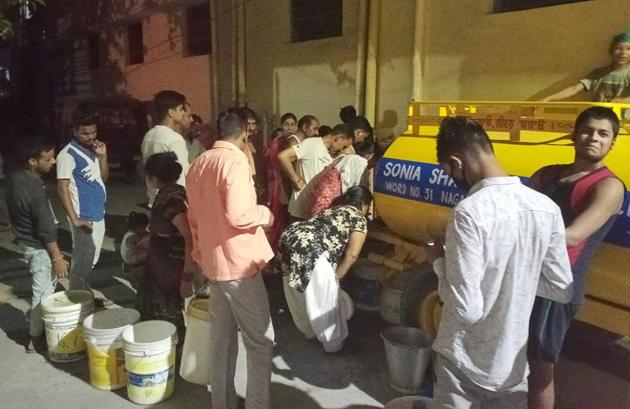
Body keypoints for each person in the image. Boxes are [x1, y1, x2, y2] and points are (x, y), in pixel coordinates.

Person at [426, 117, 574, 409]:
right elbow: (561, 288)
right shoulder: (546, 208)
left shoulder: (469, 213)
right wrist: (517, 283)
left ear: (457, 163)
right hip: (512, 365)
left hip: (464, 362)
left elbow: (467, 310)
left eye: (448, 172)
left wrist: (438, 261)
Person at [527, 107, 625, 409]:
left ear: (612, 142)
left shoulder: (609, 186)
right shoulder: (546, 174)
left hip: (556, 289)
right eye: (587, 130)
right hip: (523, 278)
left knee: (539, 366)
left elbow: (572, 236)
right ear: (574, 134)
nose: (593, 137)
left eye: (603, 133)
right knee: (511, 354)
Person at [186, 109, 275, 409]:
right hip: (239, 266)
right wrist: (266, 214)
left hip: (215, 265)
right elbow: (239, 215)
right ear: (244, 133)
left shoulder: (198, 164)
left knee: (221, 342)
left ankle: (221, 403)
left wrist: (200, 257)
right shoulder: (233, 161)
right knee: (260, 343)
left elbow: (194, 221)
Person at [280, 186, 372, 355]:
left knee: (298, 291)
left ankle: (310, 332)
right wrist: (336, 279)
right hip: (313, 248)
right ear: (364, 205)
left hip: (290, 238)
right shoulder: (358, 217)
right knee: (325, 300)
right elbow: (351, 255)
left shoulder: (330, 211)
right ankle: (334, 345)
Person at [6, 135, 69, 352]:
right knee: (43, 294)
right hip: (39, 247)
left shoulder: (15, 178)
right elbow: (46, 229)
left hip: (26, 242)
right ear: (32, 161)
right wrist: (58, 258)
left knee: (43, 290)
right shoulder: (34, 189)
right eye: (48, 159)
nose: (53, 162)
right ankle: (35, 337)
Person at [138, 152, 194, 337]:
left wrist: (187, 277)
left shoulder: (172, 202)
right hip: (159, 267)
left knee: (167, 319)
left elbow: (189, 237)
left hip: (168, 271)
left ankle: (172, 357)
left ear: (153, 178)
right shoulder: (171, 194)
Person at [57, 108, 108, 294]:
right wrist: (75, 219)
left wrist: (103, 156)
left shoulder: (94, 150)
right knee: (82, 260)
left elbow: (103, 178)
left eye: (93, 132)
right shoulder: (67, 155)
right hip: (83, 215)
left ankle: (83, 294)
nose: (91, 136)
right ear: (74, 131)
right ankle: (77, 299)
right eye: (85, 133)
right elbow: (62, 188)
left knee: (91, 258)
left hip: (97, 212)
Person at [278, 123, 354, 221]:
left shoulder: (330, 154)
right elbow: (283, 156)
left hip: (317, 211)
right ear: (338, 138)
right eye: (344, 146)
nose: (342, 150)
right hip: (301, 208)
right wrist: (295, 178)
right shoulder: (312, 144)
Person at [543, 31, 630, 103]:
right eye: (618, 48)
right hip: (597, 119)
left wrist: (624, 100)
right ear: (611, 51)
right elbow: (574, 89)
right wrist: (548, 99)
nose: (623, 52)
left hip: (623, 121)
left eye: (628, 49)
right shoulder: (598, 73)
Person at [141, 90, 192, 206]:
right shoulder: (174, 138)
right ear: (171, 112)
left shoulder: (149, 135)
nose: (183, 113)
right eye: (180, 109)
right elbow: (181, 174)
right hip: (172, 201)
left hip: (154, 198)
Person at [303, 142, 373, 218]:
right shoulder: (360, 163)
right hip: (328, 207)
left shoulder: (343, 158)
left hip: (316, 202)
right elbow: (359, 193)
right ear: (371, 155)